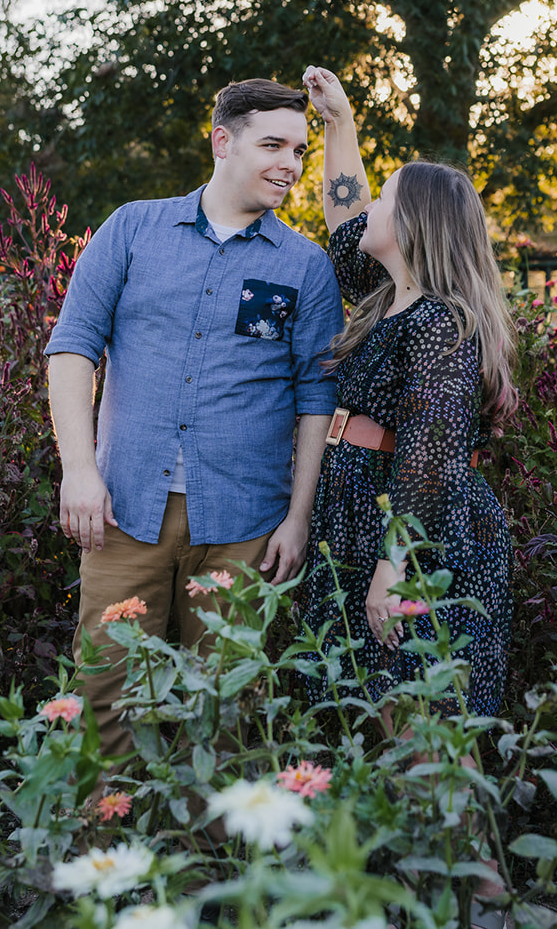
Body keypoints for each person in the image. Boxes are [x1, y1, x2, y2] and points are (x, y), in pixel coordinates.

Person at [44, 78, 342, 762]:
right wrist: (79, 471)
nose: (290, 165)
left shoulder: (305, 266)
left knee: (227, 702)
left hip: (243, 524)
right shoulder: (132, 229)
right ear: (222, 141)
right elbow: (72, 348)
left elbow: (314, 397)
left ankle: (215, 862)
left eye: (299, 150)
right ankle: (108, 851)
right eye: (273, 145)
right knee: (107, 691)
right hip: (122, 512)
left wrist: (297, 516)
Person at [295, 65, 517, 722]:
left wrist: (396, 564)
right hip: (360, 516)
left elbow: (432, 456)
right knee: (357, 710)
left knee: (415, 719)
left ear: (416, 225)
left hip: (414, 539)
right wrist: (340, 121)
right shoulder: (388, 299)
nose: (369, 209)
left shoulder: (441, 324)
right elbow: (344, 223)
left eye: (383, 199)